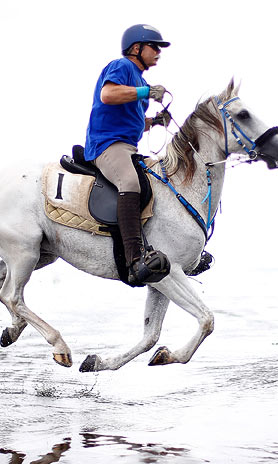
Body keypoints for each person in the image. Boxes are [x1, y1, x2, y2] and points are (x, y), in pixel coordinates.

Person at [84, 24, 171, 285]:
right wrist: (146, 92)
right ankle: (134, 259)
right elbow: (108, 94)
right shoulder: (122, 66)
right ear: (136, 48)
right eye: (154, 47)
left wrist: (154, 122)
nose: (158, 52)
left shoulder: (139, 79)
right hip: (107, 145)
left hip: (128, 146)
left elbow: (131, 120)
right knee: (130, 183)